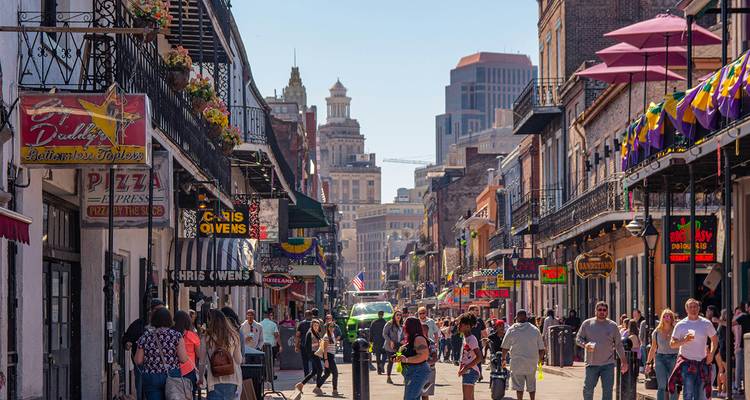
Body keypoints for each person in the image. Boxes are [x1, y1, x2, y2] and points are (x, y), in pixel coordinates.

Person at [576, 301, 628, 400]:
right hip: (591, 364)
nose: (602, 312)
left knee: (608, 392)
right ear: (595, 311)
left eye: (604, 310)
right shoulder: (587, 324)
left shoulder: (612, 325)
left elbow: (618, 345)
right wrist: (585, 345)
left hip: (608, 364)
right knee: (588, 389)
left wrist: (624, 361)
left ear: (607, 312)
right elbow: (578, 339)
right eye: (599, 310)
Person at [134, 307, 189, 400]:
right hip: (172, 375)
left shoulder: (145, 336)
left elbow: (138, 360)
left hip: (151, 376)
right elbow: (183, 359)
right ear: (169, 320)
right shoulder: (176, 336)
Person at [668, 298, 718, 400]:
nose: (693, 309)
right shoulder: (681, 325)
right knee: (688, 393)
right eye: (690, 307)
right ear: (686, 309)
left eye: (695, 307)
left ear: (699, 308)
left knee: (700, 395)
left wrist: (711, 354)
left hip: (702, 362)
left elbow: (715, 340)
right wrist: (684, 340)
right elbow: (672, 344)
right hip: (687, 362)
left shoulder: (706, 323)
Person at [124, 298, 166, 400]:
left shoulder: (166, 326)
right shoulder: (138, 324)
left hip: (160, 366)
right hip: (142, 365)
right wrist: (127, 343)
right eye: (158, 310)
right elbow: (127, 338)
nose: (160, 313)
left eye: (162, 310)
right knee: (141, 389)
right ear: (151, 311)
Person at [198, 309, 243, 400]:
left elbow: (202, 362)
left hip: (214, 381)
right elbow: (238, 360)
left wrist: (201, 378)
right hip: (232, 379)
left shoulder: (206, 338)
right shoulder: (234, 336)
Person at [501, 310, 545, 400]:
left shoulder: (511, 329)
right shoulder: (535, 329)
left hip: (517, 363)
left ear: (517, 318)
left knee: (519, 387)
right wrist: (541, 360)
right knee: (531, 385)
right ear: (526, 318)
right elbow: (541, 348)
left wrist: (503, 359)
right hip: (531, 363)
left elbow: (505, 347)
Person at [395, 317, 432, 400]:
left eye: (405, 324)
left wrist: (406, 360)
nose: (403, 326)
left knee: (410, 398)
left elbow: (423, 356)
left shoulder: (418, 338)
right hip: (413, 372)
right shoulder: (412, 339)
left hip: (418, 372)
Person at [645, 309, 678, 400]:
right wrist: (648, 363)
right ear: (662, 318)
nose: (666, 318)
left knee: (672, 384)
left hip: (673, 358)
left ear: (672, 318)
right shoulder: (656, 332)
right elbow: (653, 348)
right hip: (660, 358)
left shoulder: (676, 330)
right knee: (662, 386)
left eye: (668, 316)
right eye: (664, 316)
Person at [456, 313, 483, 400]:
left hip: (471, 371)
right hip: (468, 371)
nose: (458, 326)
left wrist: (466, 368)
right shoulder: (466, 338)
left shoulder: (471, 339)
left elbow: (479, 357)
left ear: (467, 326)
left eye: (460, 324)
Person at [295, 319, 325, 396]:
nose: (316, 327)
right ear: (312, 325)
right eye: (314, 325)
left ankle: (301, 385)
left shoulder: (316, 333)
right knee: (320, 369)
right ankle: (317, 388)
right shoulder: (310, 333)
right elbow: (307, 346)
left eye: (317, 325)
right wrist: (317, 345)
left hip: (316, 353)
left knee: (314, 371)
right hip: (313, 354)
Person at [173, 310, 200, 393]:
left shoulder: (171, 335)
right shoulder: (192, 336)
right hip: (189, 370)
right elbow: (199, 354)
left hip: (173, 370)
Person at [315, 322, 341, 397]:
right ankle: (335, 390)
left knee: (327, 374)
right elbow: (325, 350)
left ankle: (317, 388)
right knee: (335, 373)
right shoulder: (326, 336)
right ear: (327, 327)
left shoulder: (332, 334)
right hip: (328, 357)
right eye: (330, 326)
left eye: (333, 326)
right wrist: (326, 360)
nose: (332, 328)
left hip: (331, 356)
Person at [467, 305, 487, 381]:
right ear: (470, 311)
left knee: (478, 358)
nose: (478, 312)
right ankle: (469, 373)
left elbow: (483, 331)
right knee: (469, 358)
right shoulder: (466, 320)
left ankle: (479, 374)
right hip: (468, 343)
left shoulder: (480, 320)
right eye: (476, 310)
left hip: (477, 342)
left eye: (478, 310)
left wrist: (486, 339)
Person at [383, 310, 403, 384]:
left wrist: (403, 340)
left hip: (399, 346)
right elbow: (384, 334)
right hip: (390, 346)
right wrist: (390, 341)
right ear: (394, 316)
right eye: (397, 315)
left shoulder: (402, 325)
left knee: (402, 361)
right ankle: (388, 377)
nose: (398, 316)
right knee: (391, 361)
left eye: (400, 315)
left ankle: (405, 377)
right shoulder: (389, 324)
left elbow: (404, 335)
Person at [716, 309, 733, 398]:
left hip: (719, 350)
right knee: (727, 371)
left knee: (721, 370)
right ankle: (725, 390)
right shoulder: (725, 325)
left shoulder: (720, 325)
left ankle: (720, 391)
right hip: (724, 350)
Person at [421, 322, 439, 400]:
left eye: (422, 330)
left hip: (429, 370)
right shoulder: (416, 341)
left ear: (427, 331)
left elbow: (435, 358)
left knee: (425, 394)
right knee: (417, 393)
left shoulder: (430, 342)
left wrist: (425, 363)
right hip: (419, 370)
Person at [295, 310, 313, 376]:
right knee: (313, 359)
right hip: (313, 345)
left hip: (303, 344)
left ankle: (306, 375)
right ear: (312, 316)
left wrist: (296, 346)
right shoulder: (315, 323)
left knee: (305, 361)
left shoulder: (301, 324)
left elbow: (297, 335)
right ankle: (313, 373)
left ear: (305, 316)